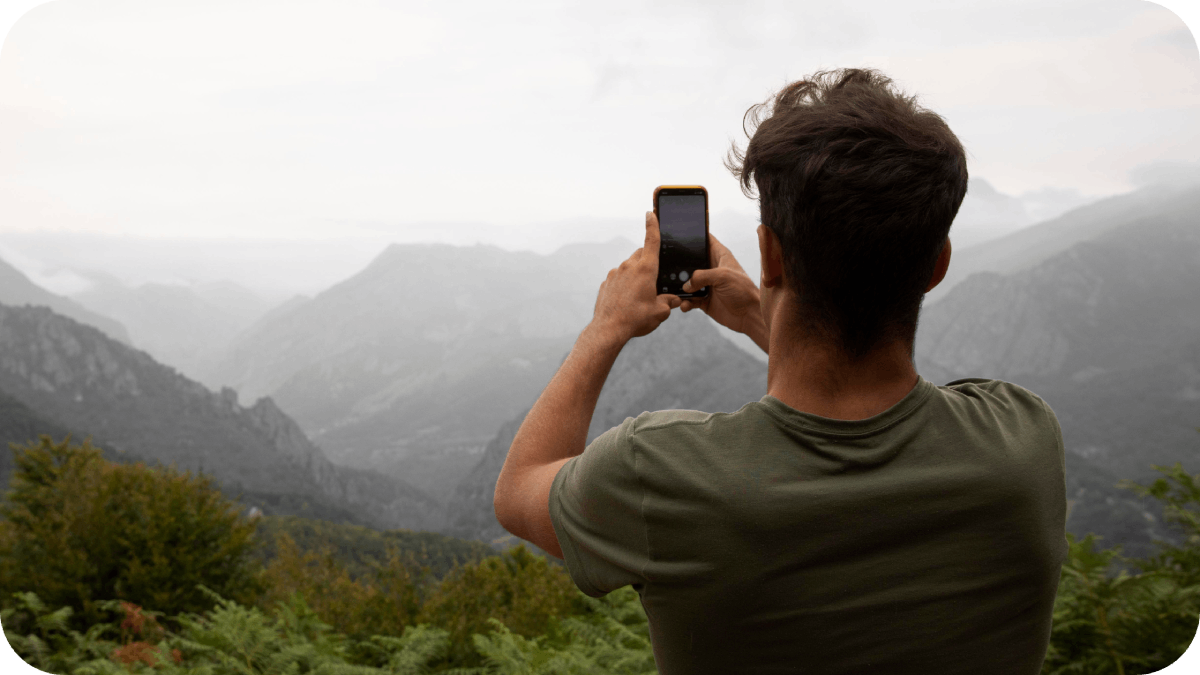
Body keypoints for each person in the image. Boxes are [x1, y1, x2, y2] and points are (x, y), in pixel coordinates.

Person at [493, 68, 1067, 675]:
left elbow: (520, 488)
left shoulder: (659, 474)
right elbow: (864, 391)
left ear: (769, 254)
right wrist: (761, 316)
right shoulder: (1022, 442)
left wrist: (605, 326)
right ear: (937, 265)